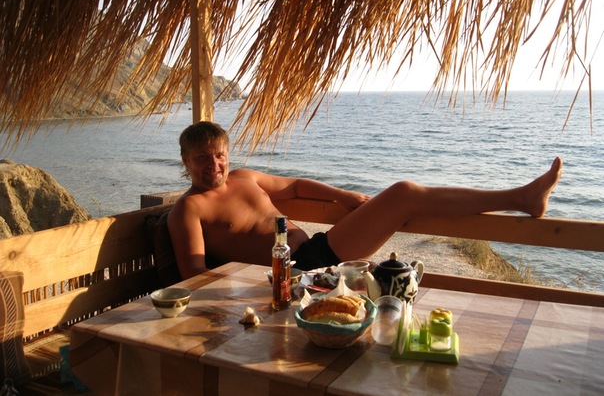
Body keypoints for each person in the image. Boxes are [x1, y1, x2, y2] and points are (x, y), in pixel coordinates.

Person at [167, 121, 563, 279]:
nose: (213, 165)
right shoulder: (189, 209)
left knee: (403, 196)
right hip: (293, 274)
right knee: (402, 201)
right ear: (186, 161)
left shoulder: (244, 177)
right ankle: (521, 198)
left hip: (317, 250)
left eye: (219, 155)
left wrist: (344, 196)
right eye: (202, 158)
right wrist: (271, 285)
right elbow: (194, 274)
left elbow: (296, 186)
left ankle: (522, 198)